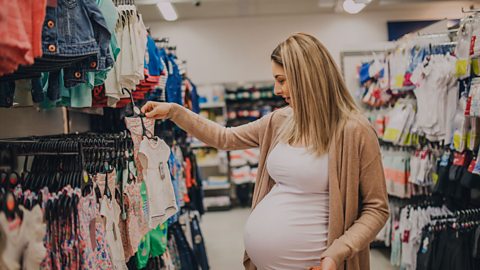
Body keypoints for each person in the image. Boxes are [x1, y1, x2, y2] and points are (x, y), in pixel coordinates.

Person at [141, 33, 389, 270]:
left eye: (282, 79)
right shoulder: (280, 121)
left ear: (307, 76)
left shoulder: (355, 131)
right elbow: (225, 137)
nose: (276, 90)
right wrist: (175, 111)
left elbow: (376, 209)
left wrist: (337, 253)